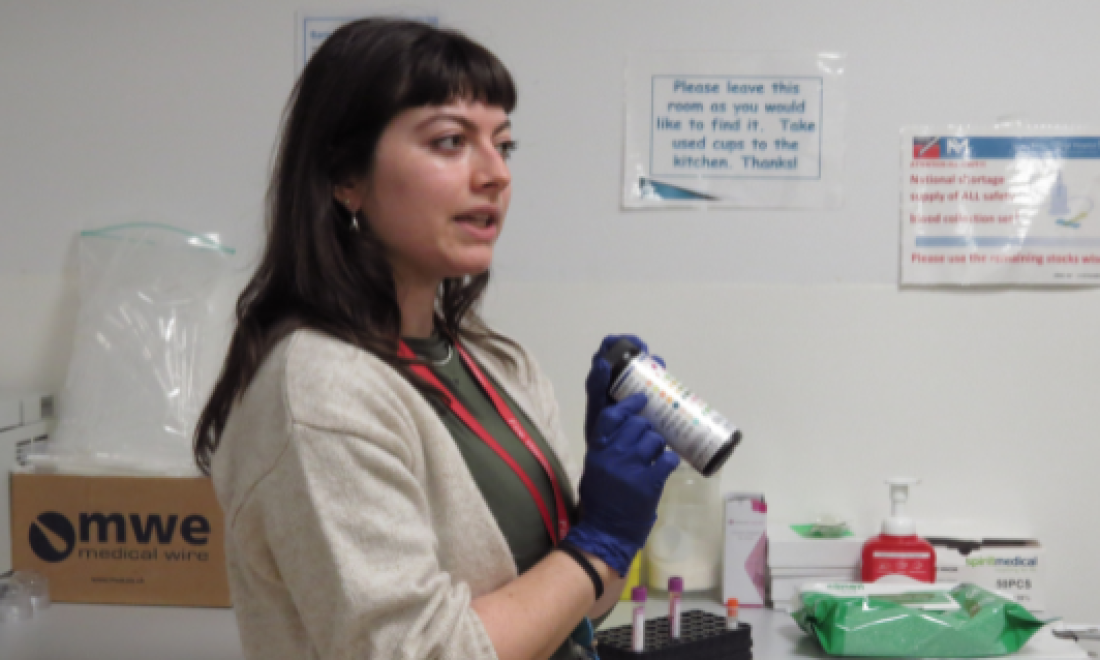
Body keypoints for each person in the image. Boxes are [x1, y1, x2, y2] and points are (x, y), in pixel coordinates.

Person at [194, 18, 679, 660]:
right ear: (347, 177)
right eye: (451, 141)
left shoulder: (502, 367)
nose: (495, 175)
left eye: (503, 145)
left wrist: (604, 517)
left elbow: (579, 604)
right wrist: (598, 544)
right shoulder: (319, 395)